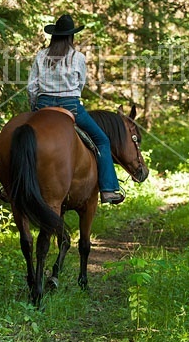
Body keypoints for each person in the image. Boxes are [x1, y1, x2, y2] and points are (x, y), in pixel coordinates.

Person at [26, 13, 125, 205]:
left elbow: (32, 87)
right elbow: (80, 85)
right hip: (70, 106)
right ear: (71, 37)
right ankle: (108, 189)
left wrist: (34, 108)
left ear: (53, 35)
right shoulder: (77, 57)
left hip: (43, 106)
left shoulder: (41, 56)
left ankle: (8, 186)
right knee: (102, 141)